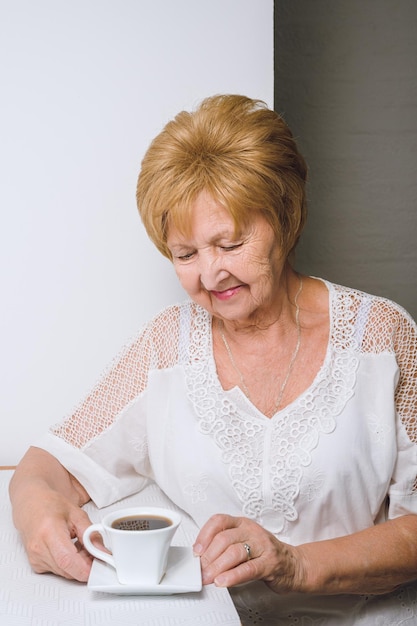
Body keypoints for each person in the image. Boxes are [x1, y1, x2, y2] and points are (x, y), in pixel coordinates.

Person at [9, 94, 417, 625]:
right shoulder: (166, 347)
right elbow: (46, 466)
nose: (210, 274)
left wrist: (296, 564)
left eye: (230, 243)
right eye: (186, 254)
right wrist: (36, 512)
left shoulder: (382, 338)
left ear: (284, 217)